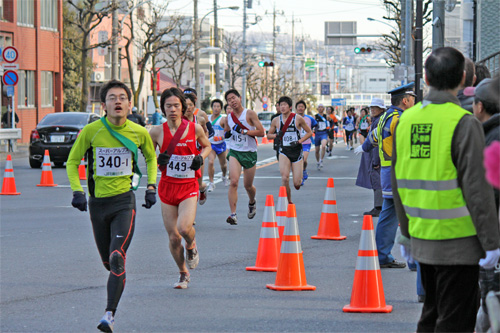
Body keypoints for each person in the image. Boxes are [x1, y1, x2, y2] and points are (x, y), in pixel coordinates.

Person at [393, 47, 500, 332]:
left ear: (426, 78)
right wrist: (491, 242)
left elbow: (398, 180)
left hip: (422, 238)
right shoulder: (463, 123)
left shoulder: (406, 120)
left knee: (431, 314)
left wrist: (405, 234)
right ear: (464, 77)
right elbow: (477, 190)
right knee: (455, 320)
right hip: (458, 243)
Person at [66, 80, 158, 332]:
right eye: (111, 98)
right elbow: (72, 162)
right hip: (97, 205)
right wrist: (77, 192)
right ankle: (114, 284)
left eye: (122, 97)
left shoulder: (139, 132)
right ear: (104, 104)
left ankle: (109, 315)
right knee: (109, 264)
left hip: (124, 203)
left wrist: (151, 187)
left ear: (130, 104)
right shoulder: (92, 131)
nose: (117, 101)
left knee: (117, 257)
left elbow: (151, 158)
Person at [149, 87, 211, 290]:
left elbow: (207, 146)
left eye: (176, 105)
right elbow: (148, 156)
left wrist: (199, 157)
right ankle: (183, 272)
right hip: (167, 187)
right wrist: (158, 158)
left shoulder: (194, 128)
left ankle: (191, 246)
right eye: (169, 106)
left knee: (184, 228)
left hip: (188, 186)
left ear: (182, 107)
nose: (173, 109)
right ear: (163, 109)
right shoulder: (156, 131)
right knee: (174, 237)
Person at [355, 83, 416, 269]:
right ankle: (414, 260)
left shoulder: (385, 117)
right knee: (410, 214)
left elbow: (373, 137)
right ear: (405, 101)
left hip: (387, 172)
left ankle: (383, 255)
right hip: (399, 172)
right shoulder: (401, 118)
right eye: (413, 98)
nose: (415, 101)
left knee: (389, 215)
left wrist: (363, 147)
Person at [223, 89, 265, 225]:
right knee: (234, 181)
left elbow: (261, 132)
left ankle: (252, 201)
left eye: (234, 98)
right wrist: (227, 134)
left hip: (249, 152)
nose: (232, 101)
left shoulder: (250, 113)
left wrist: (245, 131)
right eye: (229, 100)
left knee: (248, 186)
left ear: (240, 98)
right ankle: (233, 214)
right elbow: (227, 132)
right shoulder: (228, 117)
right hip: (235, 151)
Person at [267, 96, 312, 202]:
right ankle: (289, 201)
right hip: (283, 151)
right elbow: (269, 135)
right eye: (280, 105)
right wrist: (277, 135)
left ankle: (299, 179)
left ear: (290, 107)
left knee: (297, 184)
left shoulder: (298, 119)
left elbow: (309, 132)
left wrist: (299, 141)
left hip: (296, 151)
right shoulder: (276, 120)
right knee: (284, 178)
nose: (282, 107)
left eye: (284, 105)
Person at [355, 99, 384, 217]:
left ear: (381, 109)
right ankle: (379, 206)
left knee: (377, 182)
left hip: (376, 157)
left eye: (375, 107)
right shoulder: (377, 120)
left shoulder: (378, 121)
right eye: (371, 107)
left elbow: (377, 142)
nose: (372, 109)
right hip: (374, 156)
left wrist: (375, 160)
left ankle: (378, 207)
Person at [184, 92, 209, 205]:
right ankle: (189, 217)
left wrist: (203, 145)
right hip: (183, 155)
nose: (188, 107)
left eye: (190, 104)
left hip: (198, 155)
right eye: (186, 105)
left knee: (198, 184)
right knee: (186, 186)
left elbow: (206, 133)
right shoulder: (178, 120)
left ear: (194, 106)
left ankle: (202, 188)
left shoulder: (200, 120)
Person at [206, 99, 229, 191]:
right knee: (211, 162)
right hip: (211, 144)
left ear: (221, 108)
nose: (216, 108)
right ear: (212, 108)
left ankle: (224, 176)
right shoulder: (207, 118)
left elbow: (227, 133)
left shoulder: (223, 119)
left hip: (221, 144)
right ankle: (211, 183)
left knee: (223, 165)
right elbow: (204, 130)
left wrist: (221, 138)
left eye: (218, 107)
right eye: (214, 106)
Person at [295, 100, 317, 186]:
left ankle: (303, 172)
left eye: (302, 107)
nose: (300, 108)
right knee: (298, 161)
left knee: (303, 160)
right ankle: (302, 175)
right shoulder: (293, 118)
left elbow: (315, 125)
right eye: (298, 107)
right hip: (296, 143)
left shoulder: (309, 118)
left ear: (304, 108)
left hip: (306, 142)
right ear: (296, 108)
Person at [314, 104, 329, 170]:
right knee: (317, 150)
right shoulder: (315, 116)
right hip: (317, 133)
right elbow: (312, 124)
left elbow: (329, 124)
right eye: (319, 107)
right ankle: (318, 162)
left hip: (324, 133)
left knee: (323, 146)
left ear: (323, 109)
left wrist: (329, 133)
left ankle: (321, 160)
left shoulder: (326, 116)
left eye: (321, 107)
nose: (320, 108)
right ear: (317, 109)